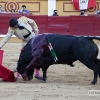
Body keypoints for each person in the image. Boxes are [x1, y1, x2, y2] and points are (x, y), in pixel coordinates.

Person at [0, 16, 42, 80]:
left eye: (14, 26)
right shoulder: (11, 29)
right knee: (22, 58)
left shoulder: (23, 19)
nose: (14, 28)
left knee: (36, 56)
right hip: (25, 41)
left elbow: (33, 22)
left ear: (17, 23)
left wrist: (36, 32)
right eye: (13, 27)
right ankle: (18, 75)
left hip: (33, 38)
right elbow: (6, 38)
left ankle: (37, 74)